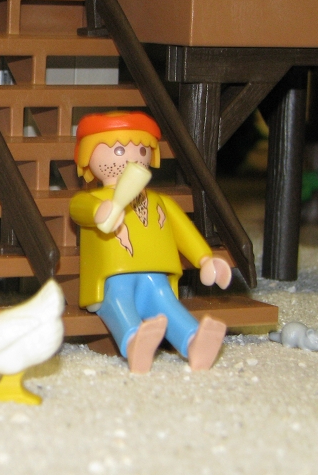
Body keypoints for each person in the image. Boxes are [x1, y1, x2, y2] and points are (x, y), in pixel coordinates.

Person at [70, 112, 231, 373]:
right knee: (119, 299)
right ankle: (134, 341)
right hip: (112, 276)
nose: (131, 158)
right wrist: (100, 211)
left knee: (165, 301)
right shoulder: (94, 199)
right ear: (87, 156)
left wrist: (205, 259)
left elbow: (183, 231)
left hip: (155, 275)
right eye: (118, 150)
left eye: (142, 150)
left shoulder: (160, 201)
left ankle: (194, 341)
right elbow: (79, 209)